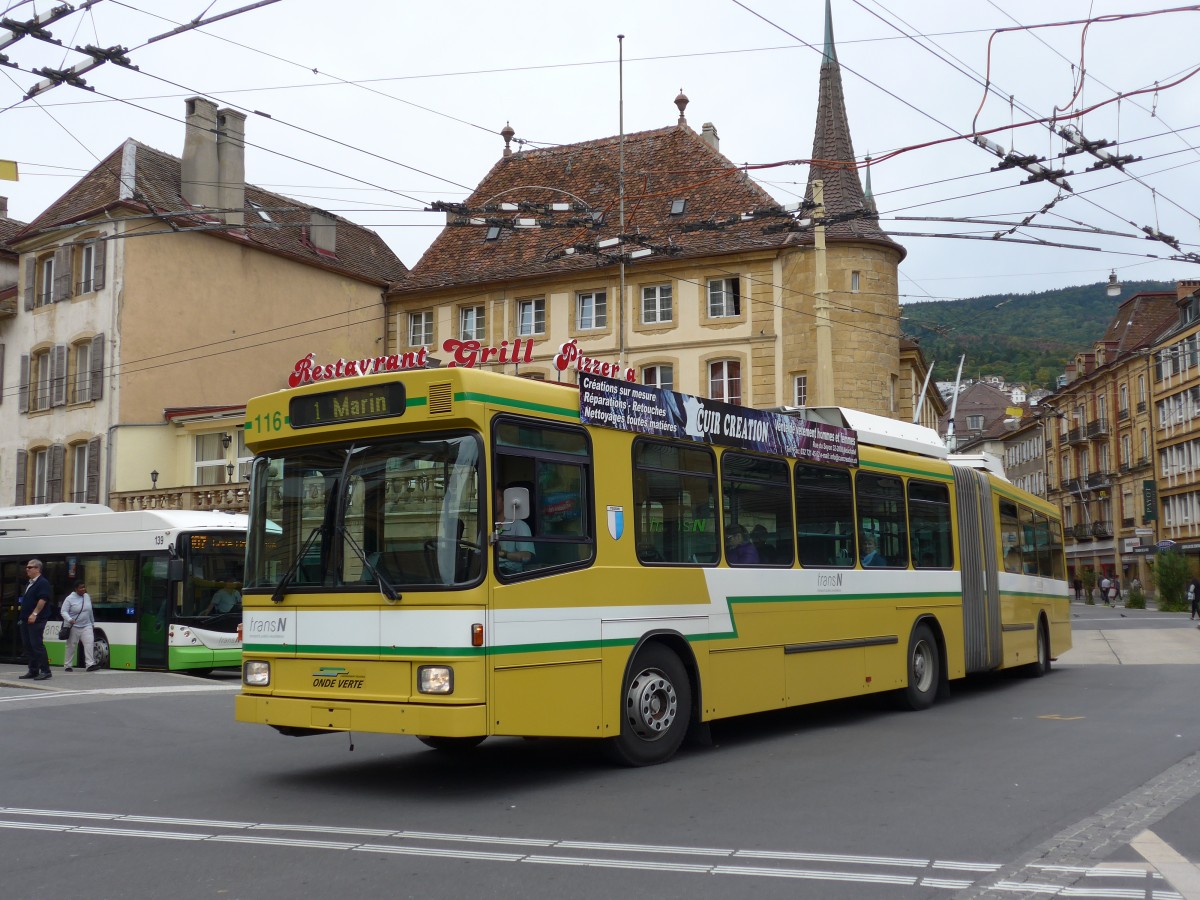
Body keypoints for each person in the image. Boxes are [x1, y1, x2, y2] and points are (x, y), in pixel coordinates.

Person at [17, 559, 53, 681]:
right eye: (27, 567)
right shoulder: (30, 583)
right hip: (25, 619)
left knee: (36, 644)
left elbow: (42, 599)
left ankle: (45, 670)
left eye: (30, 567)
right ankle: (33, 670)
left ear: (37, 569)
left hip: (36, 619)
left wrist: (34, 614)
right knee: (28, 645)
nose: (27, 569)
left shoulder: (42, 583)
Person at [494, 487, 534, 574]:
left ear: (505, 501)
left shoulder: (520, 525)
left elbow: (526, 556)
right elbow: (478, 555)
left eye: (495, 498)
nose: (491, 501)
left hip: (510, 574)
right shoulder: (487, 526)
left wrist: (505, 554)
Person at [60, 582, 97, 672]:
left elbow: (90, 611)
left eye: (84, 587)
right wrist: (69, 620)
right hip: (73, 626)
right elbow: (63, 611)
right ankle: (68, 665)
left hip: (86, 625)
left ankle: (90, 664)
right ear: (76, 589)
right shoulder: (69, 599)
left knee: (89, 643)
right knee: (71, 645)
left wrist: (92, 623)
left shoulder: (86, 596)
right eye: (81, 588)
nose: (83, 589)